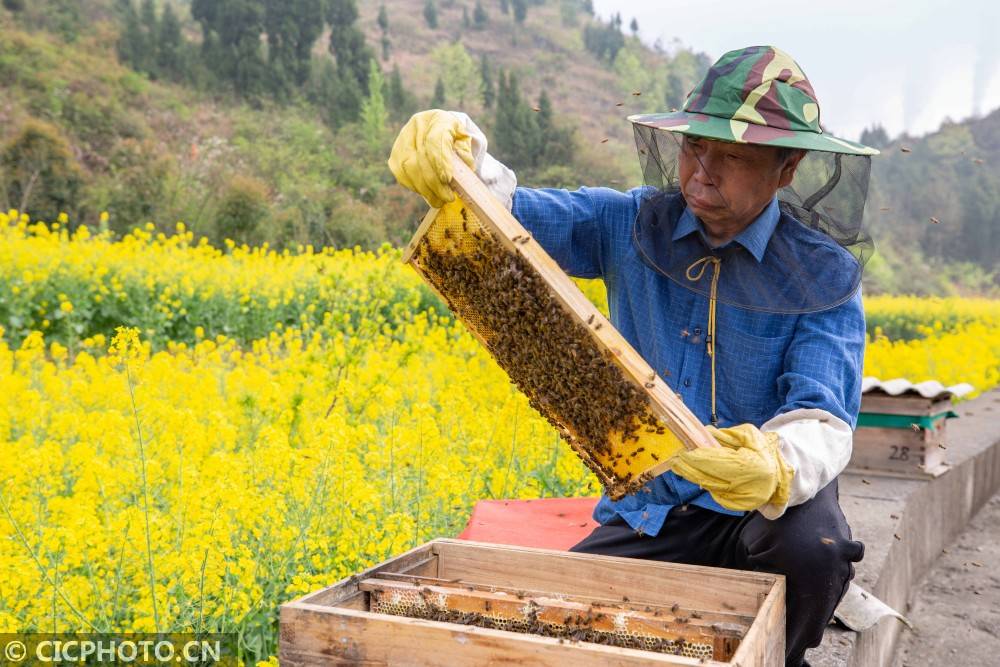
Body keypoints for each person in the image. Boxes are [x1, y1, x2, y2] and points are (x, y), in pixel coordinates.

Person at [389, 45, 880, 667]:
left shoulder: (822, 275)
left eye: (731, 157)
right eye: (694, 150)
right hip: (652, 509)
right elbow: (511, 211)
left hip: (757, 513)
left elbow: (822, 412)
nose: (703, 174)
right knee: (562, 624)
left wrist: (776, 464)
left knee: (817, 546)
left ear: (788, 169)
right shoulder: (629, 223)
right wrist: (461, 157)